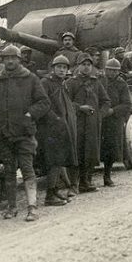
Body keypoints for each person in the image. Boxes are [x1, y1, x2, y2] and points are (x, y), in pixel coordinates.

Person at [0, 44, 51, 221]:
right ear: (3, 61)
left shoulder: (30, 78)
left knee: (27, 169)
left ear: (19, 60)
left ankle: (32, 208)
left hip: (24, 133)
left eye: (13, 58)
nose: (10, 61)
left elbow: (43, 102)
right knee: (9, 171)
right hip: (4, 134)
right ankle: (12, 208)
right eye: (6, 58)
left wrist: (29, 114)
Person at [66, 53, 111, 193]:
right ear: (78, 66)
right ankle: (74, 185)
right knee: (77, 152)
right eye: (83, 64)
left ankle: (86, 182)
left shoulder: (96, 82)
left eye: (89, 65)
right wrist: (80, 108)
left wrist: (99, 115)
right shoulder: (71, 83)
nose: (86, 67)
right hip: (77, 123)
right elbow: (66, 103)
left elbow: (106, 101)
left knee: (91, 152)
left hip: (92, 124)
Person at [39, 54, 78, 205]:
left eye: (64, 67)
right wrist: (55, 119)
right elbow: (43, 104)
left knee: (59, 159)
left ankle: (54, 190)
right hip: (50, 128)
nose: (61, 70)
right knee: (53, 161)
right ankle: (49, 196)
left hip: (62, 127)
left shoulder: (62, 84)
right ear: (53, 68)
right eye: (59, 67)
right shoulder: (46, 83)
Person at [102, 58, 130, 186]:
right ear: (105, 70)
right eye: (109, 70)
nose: (111, 73)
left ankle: (107, 176)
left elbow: (126, 104)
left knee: (112, 148)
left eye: (114, 71)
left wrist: (113, 111)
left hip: (113, 120)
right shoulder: (99, 81)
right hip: (99, 118)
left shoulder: (122, 84)